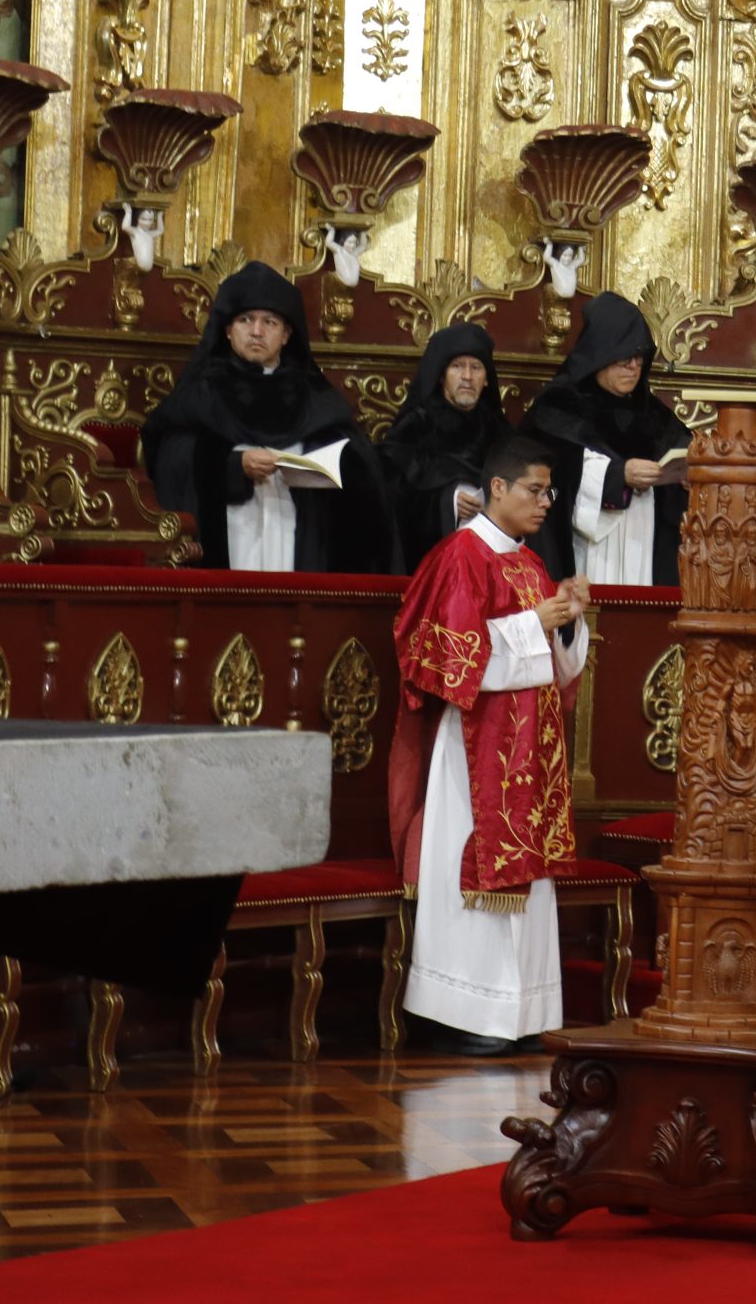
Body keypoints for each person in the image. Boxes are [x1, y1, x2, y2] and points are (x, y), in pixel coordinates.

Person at [390, 437, 589, 1053]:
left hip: (530, 753)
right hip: (473, 755)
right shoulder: (459, 556)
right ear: (497, 487)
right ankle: (467, 1014)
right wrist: (537, 625)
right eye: (535, 490)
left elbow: (559, 670)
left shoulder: (529, 565)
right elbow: (443, 659)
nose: (545, 503)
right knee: (470, 877)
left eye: (550, 492)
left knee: (530, 892)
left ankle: (522, 1013)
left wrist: (571, 620)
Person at [140, 261, 395, 574]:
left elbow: (364, 476)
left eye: (270, 322)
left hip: (298, 535)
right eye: (246, 320)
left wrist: (313, 464)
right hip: (230, 533)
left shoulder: (315, 397)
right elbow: (170, 461)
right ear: (228, 330)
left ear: (287, 334)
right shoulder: (202, 393)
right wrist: (234, 465)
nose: (257, 331)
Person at [525, 293, 691, 588]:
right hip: (587, 545)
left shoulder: (652, 413)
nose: (633, 367)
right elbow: (550, 480)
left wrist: (688, 478)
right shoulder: (559, 405)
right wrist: (618, 475)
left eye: (639, 357)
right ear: (600, 354)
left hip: (645, 539)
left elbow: (686, 453)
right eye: (624, 357)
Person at [380, 325, 508, 571]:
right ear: (441, 375)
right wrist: (447, 502)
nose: (467, 376)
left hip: (492, 561)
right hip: (430, 561)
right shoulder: (417, 425)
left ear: (487, 379)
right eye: (457, 366)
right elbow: (392, 492)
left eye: (476, 367)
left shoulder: (501, 432)